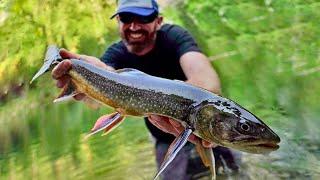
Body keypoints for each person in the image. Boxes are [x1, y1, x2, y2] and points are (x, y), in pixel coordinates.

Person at [52, 0, 240, 179]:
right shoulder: (115, 54)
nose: (134, 26)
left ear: (158, 21)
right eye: (126, 18)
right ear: (118, 21)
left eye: (143, 19)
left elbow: (208, 82)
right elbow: (96, 97)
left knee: (235, 175)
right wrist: (85, 82)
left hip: (208, 128)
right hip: (165, 140)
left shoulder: (175, 37)